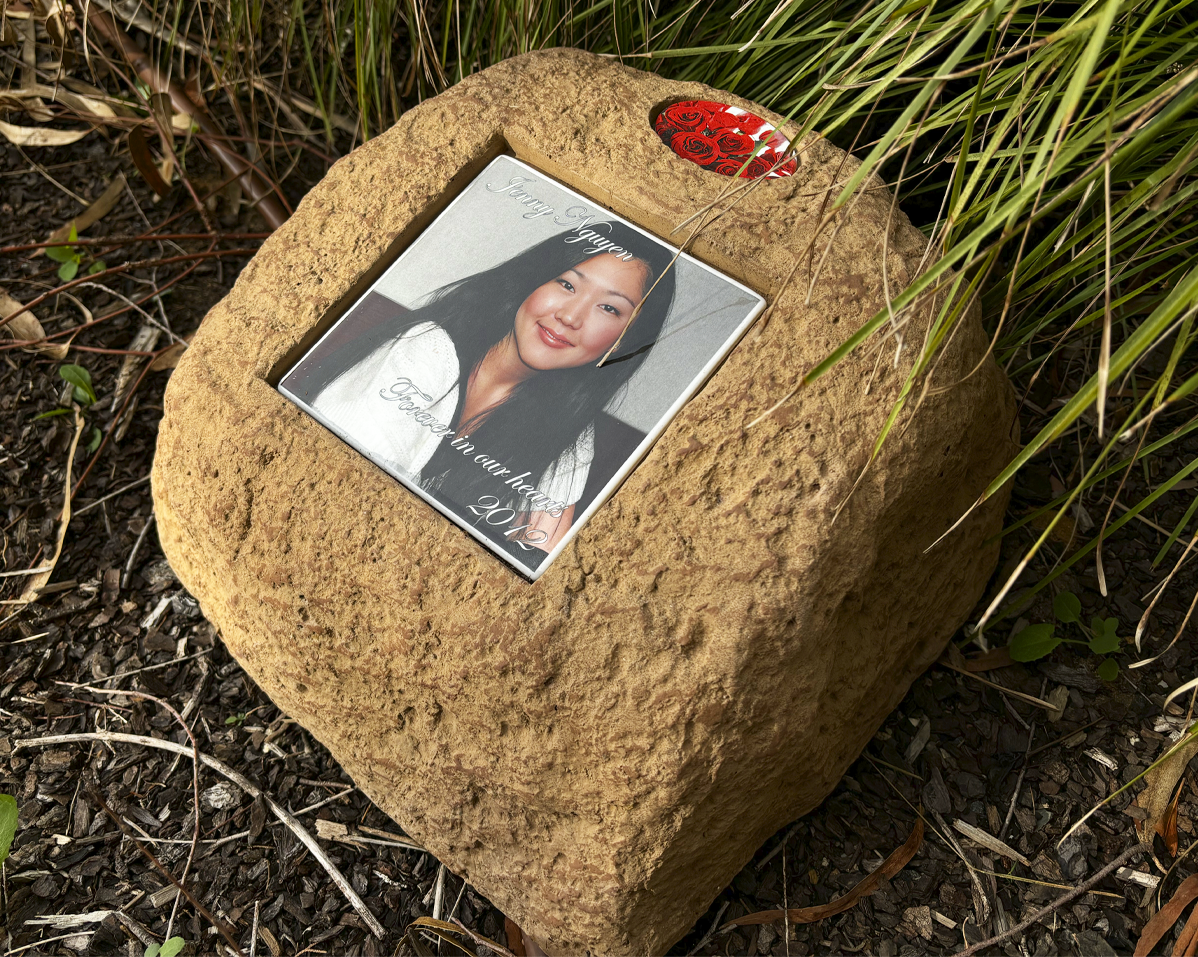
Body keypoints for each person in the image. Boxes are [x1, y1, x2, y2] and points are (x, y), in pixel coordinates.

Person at [295, 222, 677, 558]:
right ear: (534, 281)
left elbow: (539, 559)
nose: (570, 316)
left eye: (609, 309)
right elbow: (350, 497)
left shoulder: (570, 435)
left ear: (626, 341)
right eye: (566, 284)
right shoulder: (428, 349)